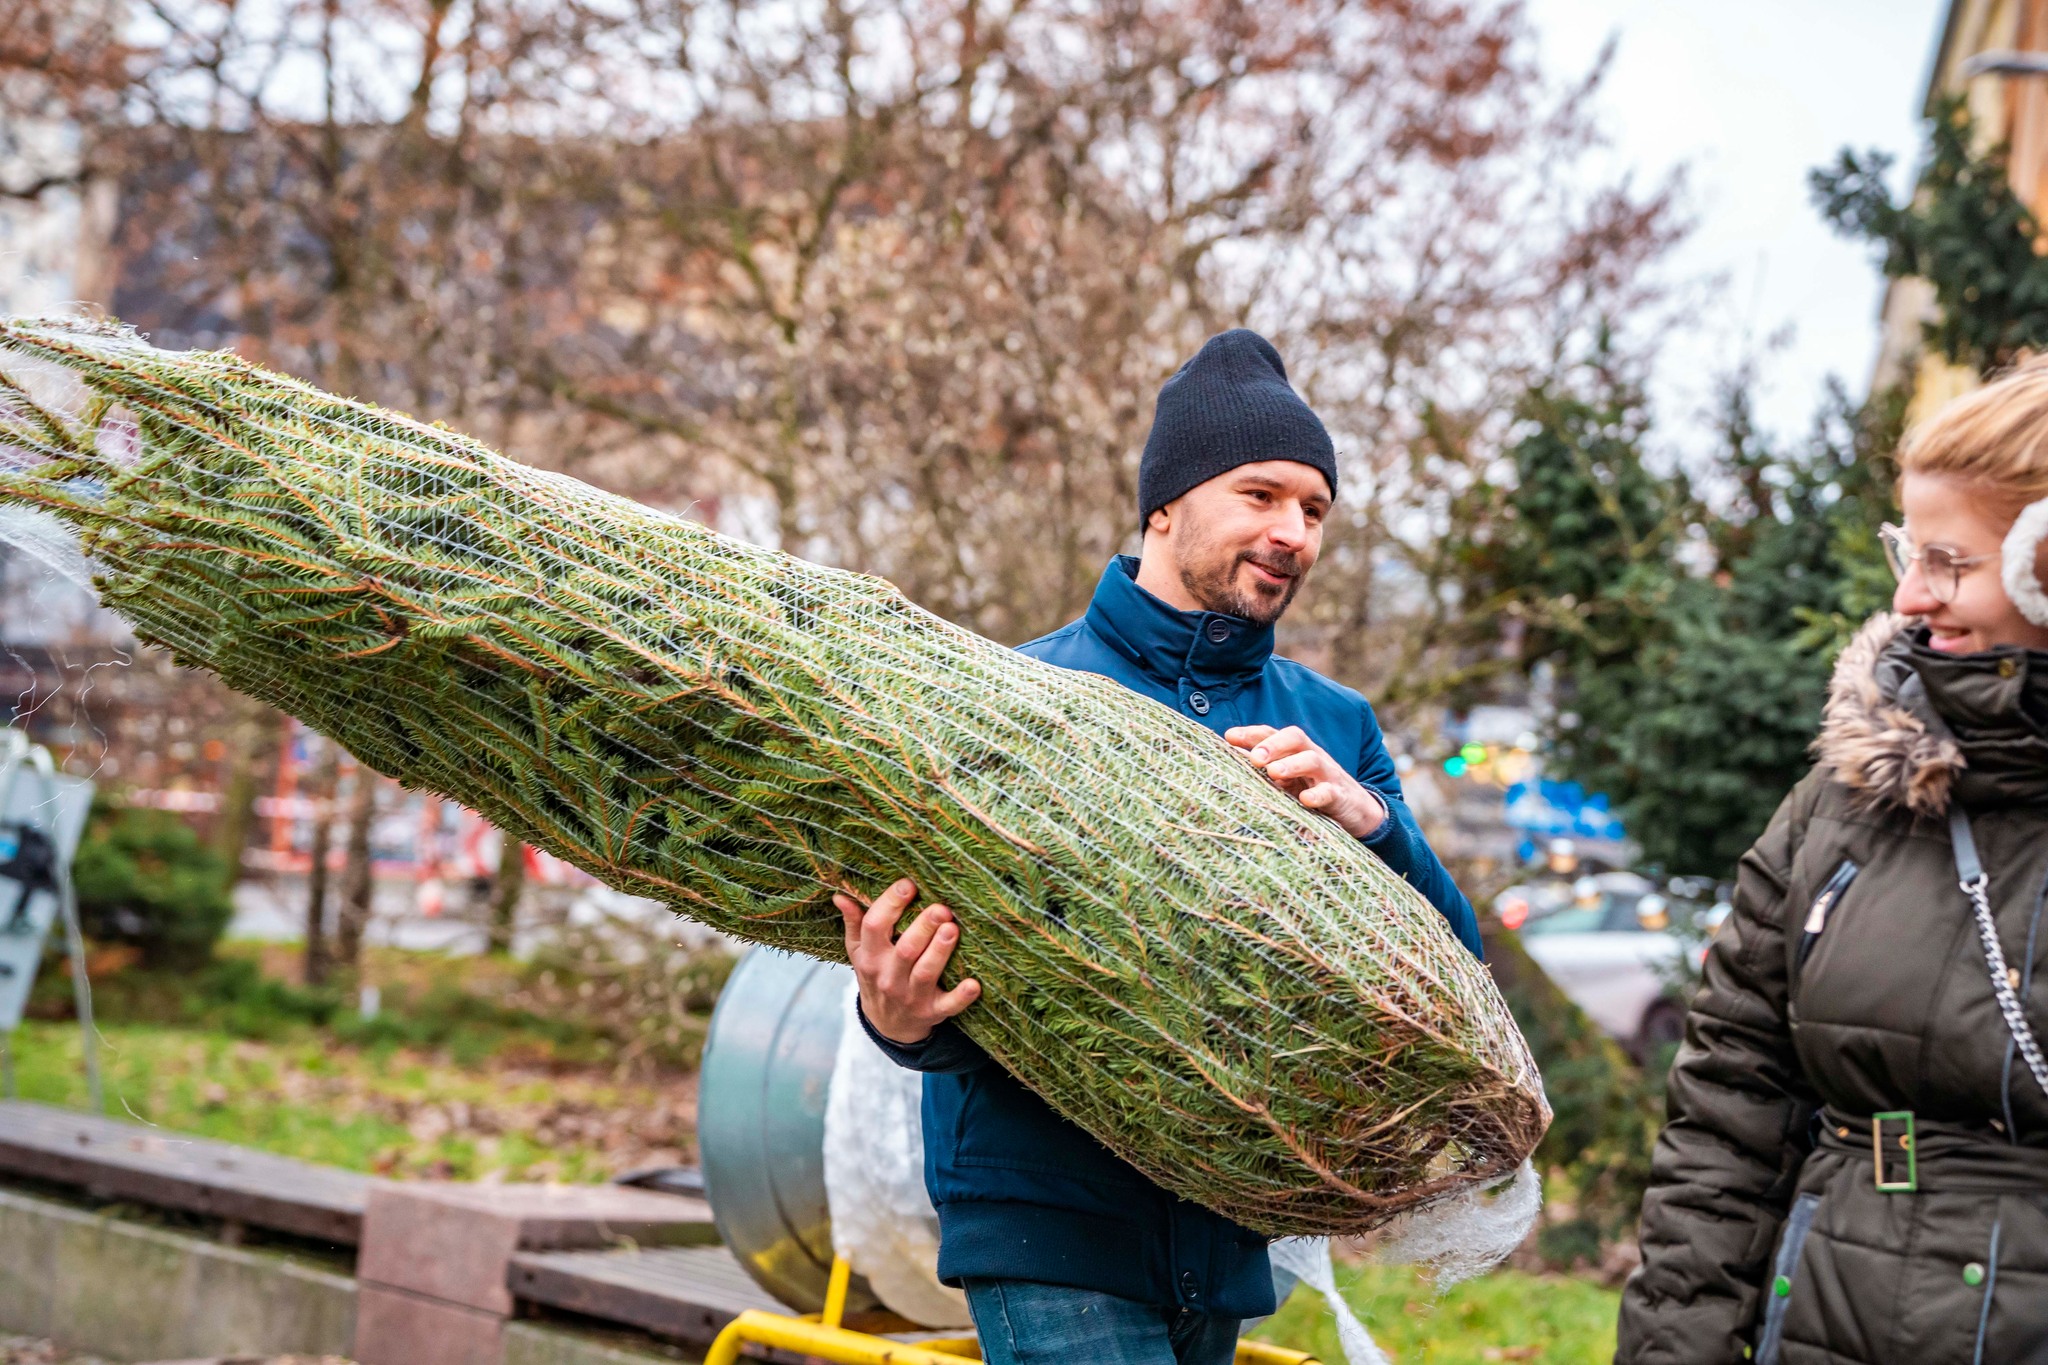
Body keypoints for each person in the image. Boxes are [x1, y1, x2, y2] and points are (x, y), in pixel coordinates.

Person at [833, 330, 1481, 1365]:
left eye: (1313, 511)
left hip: (1227, 1234)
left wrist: (1375, 830)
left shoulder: (1335, 728)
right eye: (1260, 495)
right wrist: (901, 1023)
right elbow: (950, 967)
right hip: (1048, 1222)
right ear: (1165, 505)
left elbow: (1458, 975)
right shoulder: (1016, 697)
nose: (1292, 533)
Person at [1616, 360, 2048, 1365]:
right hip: (1820, 1318)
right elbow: (1728, 1107)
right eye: (1908, 553)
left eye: (1947, 563)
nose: (1909, 598)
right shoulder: (1837, 804)